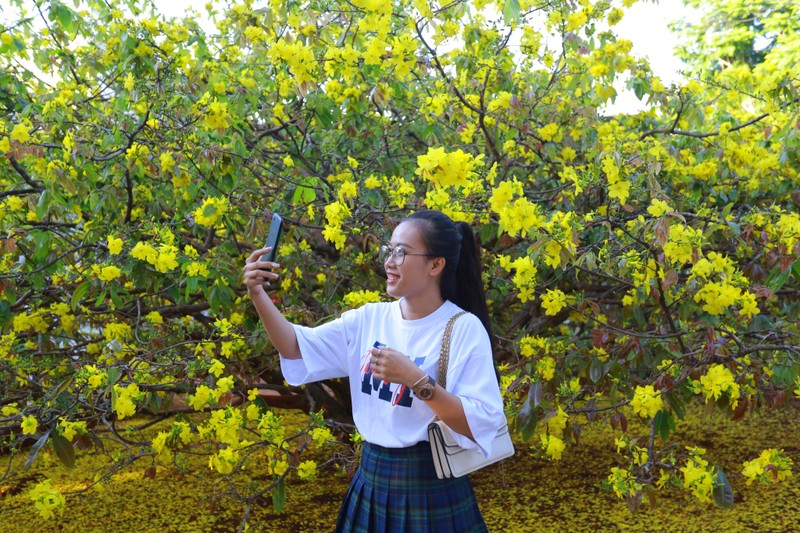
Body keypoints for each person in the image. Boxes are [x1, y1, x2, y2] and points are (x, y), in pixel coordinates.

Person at [243, 209, 505, 532]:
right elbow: (296, 347)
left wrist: (416, 380)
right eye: (389, 250)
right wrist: (258, 295)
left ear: (436, 265)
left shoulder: (463, 329)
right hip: (371, 479)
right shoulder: (369, 319)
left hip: (431, 484)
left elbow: (480, 422)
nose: (390, 262)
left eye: (402, 252)